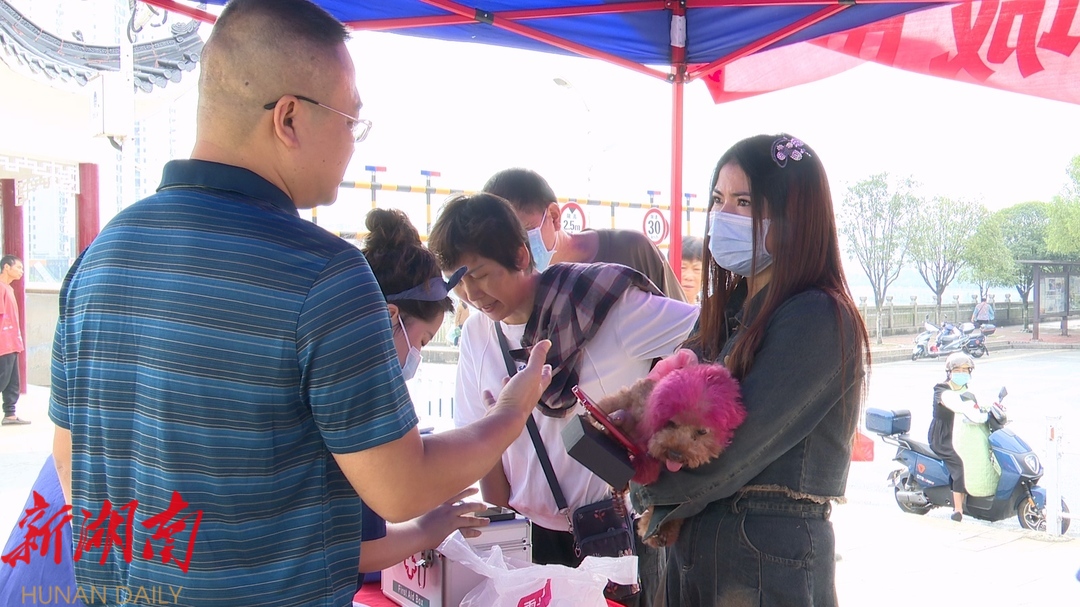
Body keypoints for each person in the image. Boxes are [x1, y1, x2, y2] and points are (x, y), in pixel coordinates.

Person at [48, 2, 551, 606]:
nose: (353, 141)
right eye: (350, 120)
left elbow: (69, 463)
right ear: (288, 118)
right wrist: (510, 413)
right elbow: (402, 487)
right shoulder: (322, 273)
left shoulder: (99, 256)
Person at [631, 134, 870, 606]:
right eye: (718, 200)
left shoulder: (818, 317)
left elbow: (738, 448)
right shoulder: (725, 311)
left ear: (795, 216)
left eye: (744, 202)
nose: (724, 216)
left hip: (764, 553)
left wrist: (642, 484)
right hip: (696, 545)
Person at [427, 193, 697, 597]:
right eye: (458, 282)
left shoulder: (602, 304)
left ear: (520, 256)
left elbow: (706, 332)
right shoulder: (477, 335)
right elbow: (481, 446)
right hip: (528, 542)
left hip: (614, 534)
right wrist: (506, 542)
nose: (472, 294)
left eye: (480, 275)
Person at [355, 208, 491, 578]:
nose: (417, 355)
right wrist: (428, 529)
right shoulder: (363, 394)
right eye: (422, 341)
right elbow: (358, 551)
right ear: (389, 316)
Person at [482, 168, 687, 302]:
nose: (515, 252)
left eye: (522, 234)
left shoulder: (632, 250)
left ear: (554, 216)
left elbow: (688, 330)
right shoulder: (520, 290)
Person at [928, 352, 999, 522]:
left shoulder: (966, 389)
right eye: (957, 370)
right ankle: (958, 509)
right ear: (949, 372)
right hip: (944, 435)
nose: (961, 373)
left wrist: (992, 409)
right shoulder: (941, 389)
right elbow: (954, 403)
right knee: (961, 463)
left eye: (965, 370)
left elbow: (978, 403)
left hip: (963, 433)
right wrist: (975, 413)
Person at [0, 254, 28, 426]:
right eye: (18, 267)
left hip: (12, 342)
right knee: (2, 379)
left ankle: (10, 415)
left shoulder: (8, 288)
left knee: (12, 382)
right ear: (6, 267)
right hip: (3, 342)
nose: (21, 271)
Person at [679, 236, 703, 303]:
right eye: (683, 268)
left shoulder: (711, 308)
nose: (689, 277)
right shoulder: (660, 307)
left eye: (696, 269)